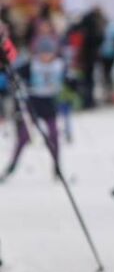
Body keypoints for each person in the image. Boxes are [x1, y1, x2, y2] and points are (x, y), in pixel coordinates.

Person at [1, 37, 67, 181]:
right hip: (33, 103)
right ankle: (11, 166)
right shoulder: (32, 64)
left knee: (54, 135)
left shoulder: (59, 64)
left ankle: (56, 168)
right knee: (24, 137)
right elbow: (14, 75)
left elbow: (67, 79)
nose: (46, 56)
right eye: (43, 53)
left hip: (49, 103)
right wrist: (15, 82)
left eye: (48, 53)